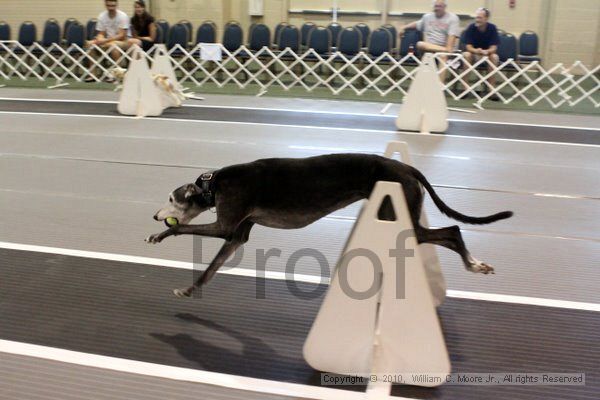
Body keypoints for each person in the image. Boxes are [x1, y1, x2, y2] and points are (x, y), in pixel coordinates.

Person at [399, 0, 460, 81]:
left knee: (443, 56)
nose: (437, 8)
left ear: (445, 7)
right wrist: (403, 27)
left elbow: (451, 40)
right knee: (420, 44)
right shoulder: (427, 17)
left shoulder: (453, 18)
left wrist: (447, 49)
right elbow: (417, 24)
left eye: (439, 6)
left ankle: (439, 88)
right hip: (429, 49)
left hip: (445, 51)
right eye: (435, 6)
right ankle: (424, 81)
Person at [461, 7, 500, 99]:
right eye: (476, 17)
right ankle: (465, 89)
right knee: (466, 55)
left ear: (486, 18)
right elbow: (468, 47)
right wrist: (476, 51)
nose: (477, 20)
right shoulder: (471, 27)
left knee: (494, 57)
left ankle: (492, 90)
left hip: (487, 54)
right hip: (474, 53)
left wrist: (487, 52)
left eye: (480, 18)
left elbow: (494, 47)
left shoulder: (492, 28)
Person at [86, 0, 130, 82]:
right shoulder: (102, 16)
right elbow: (101, 33)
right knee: (90, 44)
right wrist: (99, 38)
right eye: (109, 6)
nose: (111, 8)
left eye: (112, 6)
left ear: (116, 5)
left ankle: (117, 75)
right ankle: (92, 75)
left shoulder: (123, 16)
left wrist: (105, 40)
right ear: (106, 5)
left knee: (113, 46)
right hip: (108, 42)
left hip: (123, 42)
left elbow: (122, 35)